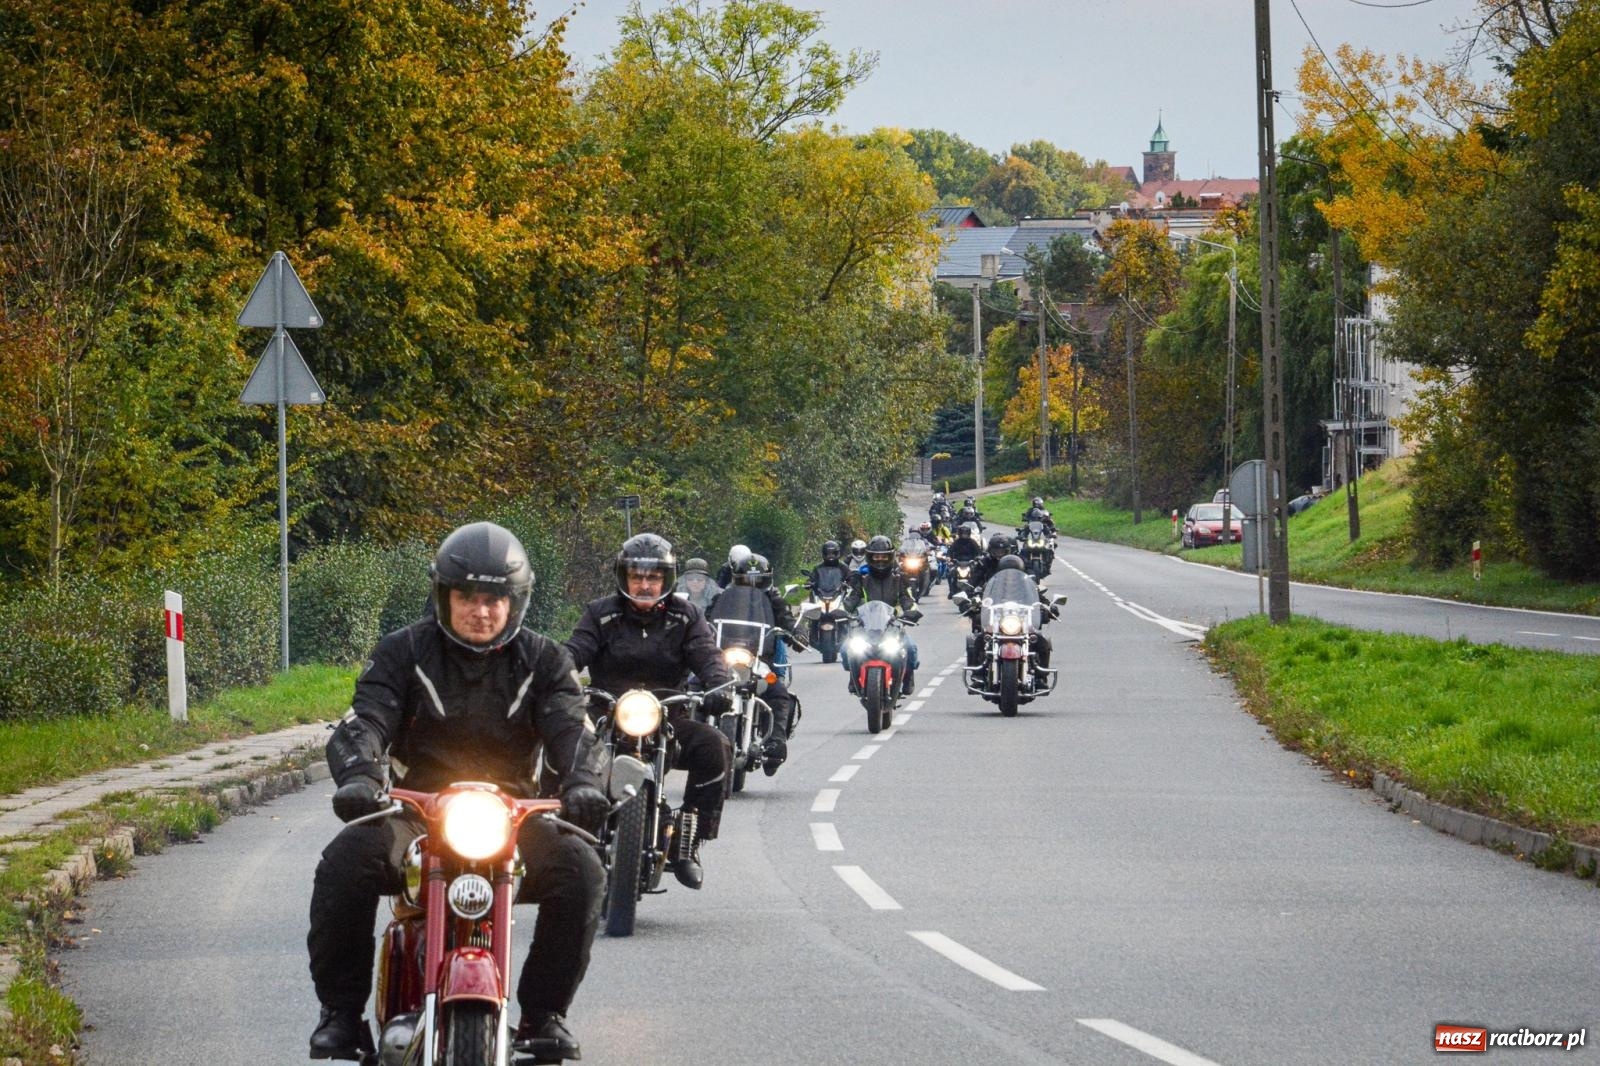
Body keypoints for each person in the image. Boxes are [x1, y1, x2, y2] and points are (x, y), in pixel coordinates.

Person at [306, 521, 607, 1063]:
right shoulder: (403, 652)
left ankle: (544, 1014)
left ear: (516, 603)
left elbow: (573, 730)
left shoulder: (545, 661)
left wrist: (585, 782)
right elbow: (366, 720)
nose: (481, 610)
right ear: (442, 597)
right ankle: (340, 1014)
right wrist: (360, 776)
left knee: (582, 869)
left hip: (513, 816)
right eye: (466, 596)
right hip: (415, 812)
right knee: (344, 861)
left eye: (495, 598)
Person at [565, 533, 733, 891]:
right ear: (623, 578)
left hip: (668, 715)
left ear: (666, 580)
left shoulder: (685, 616)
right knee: (564, 746)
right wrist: (557, 672)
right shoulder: (601, 613)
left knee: (714, 746)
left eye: (653, 577)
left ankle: (688, 839)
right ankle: (562, 838)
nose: (644, 585)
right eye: (637, 577)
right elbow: (576, 649)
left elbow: (706, 654)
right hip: (607, 713)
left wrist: (719, 685)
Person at [707, 555, 805, 773]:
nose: (751, 587)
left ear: (766, 581)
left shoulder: (774, 601)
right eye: (745, 582)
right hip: (726, 657)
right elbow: (705, 619)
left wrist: (797, 633)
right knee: (696, 686)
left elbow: (787, 620)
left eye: (757, 582)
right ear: (736, 580)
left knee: (779, 693)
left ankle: (775, 744)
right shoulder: (722, 599)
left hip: (758, 661)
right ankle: (687, 738)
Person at [840, 535, 922, 694]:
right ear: (869, 557)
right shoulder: (860, 578)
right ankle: (853, 676)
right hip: (865, 626)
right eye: (876, 556)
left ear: (890, 557)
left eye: (884, 556)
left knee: (910, 648)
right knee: (845, 649)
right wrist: (842, 610)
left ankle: (908, 678)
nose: (880, 560)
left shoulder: (899, 578)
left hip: (892, 625)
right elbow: (852, 597)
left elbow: (907, 597)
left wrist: (911, 610)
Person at [964, 554, 1057, 670]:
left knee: (1042, 641)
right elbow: (981, 597)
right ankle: (977, 674)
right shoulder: (992, 586)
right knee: (979, 640)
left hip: (1021, 622)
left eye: (1014, 571)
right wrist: (972, 604)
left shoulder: (1028, 586)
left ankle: (1042, 674)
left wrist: (1049, 607)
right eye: (1006, 571)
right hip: (999, 622)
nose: (1010, 575)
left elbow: (1039, 598)